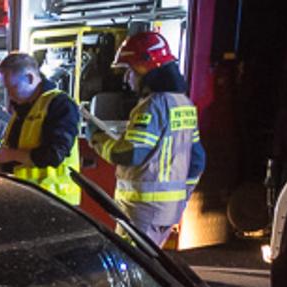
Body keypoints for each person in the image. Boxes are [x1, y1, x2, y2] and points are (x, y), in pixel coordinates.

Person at [88, 31, 205, 246]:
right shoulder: (184, 104)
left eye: (129, 71)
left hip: (141, 208)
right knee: (150, 265)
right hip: (168, 210)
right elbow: (197, 160)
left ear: (145, 69)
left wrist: (96, 138)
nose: (126, 79)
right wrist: (181, 196)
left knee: (132, 270)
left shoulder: (151, 106)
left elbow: (130, 153)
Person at [0, 52, 81, 205]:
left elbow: (54, 155)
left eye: (13, 87)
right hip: (28, 199)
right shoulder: (23, 109)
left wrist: (10, 155)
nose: (9, 95)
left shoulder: (59, 104)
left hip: (55, 202)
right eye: (6, 89)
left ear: (30, 78)